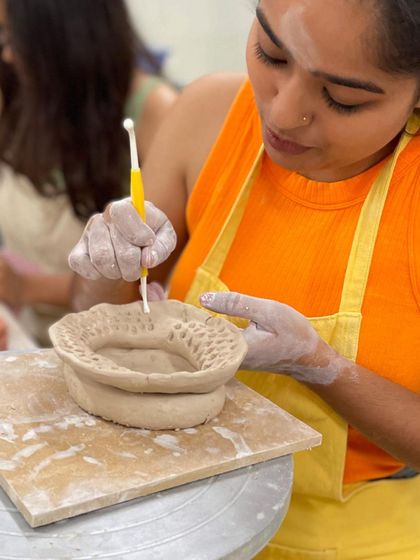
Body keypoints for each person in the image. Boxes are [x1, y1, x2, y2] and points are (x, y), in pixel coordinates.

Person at [68, 0, 420, 558]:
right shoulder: (208, 115)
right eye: (271, 54)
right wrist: (103, 266)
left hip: (347, 538)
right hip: (171, 508)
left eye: (342, 99)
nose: (282, 116)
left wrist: (320, 366)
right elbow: (98, 313)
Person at [0, 0, 177, 345]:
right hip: (23, 332)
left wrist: (26, 287)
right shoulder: (20, 91)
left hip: (107, 348)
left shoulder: (155, 114)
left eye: (13, 35)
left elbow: (142, 280)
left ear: (62, 38)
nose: (7, 53)